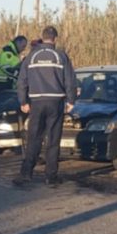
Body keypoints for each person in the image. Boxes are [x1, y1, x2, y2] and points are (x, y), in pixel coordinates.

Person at [14, 26, 76, 187]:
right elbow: (70, 80)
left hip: (36, 103)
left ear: (42, 38)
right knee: (53, 140)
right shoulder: (61, 56)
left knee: (33, 138)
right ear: (55, 39)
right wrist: (71, 101)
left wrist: (23, 102)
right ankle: (51, 176)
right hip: (56, 103)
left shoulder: (31, 57)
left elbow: (21, 82)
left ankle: (26, 174)